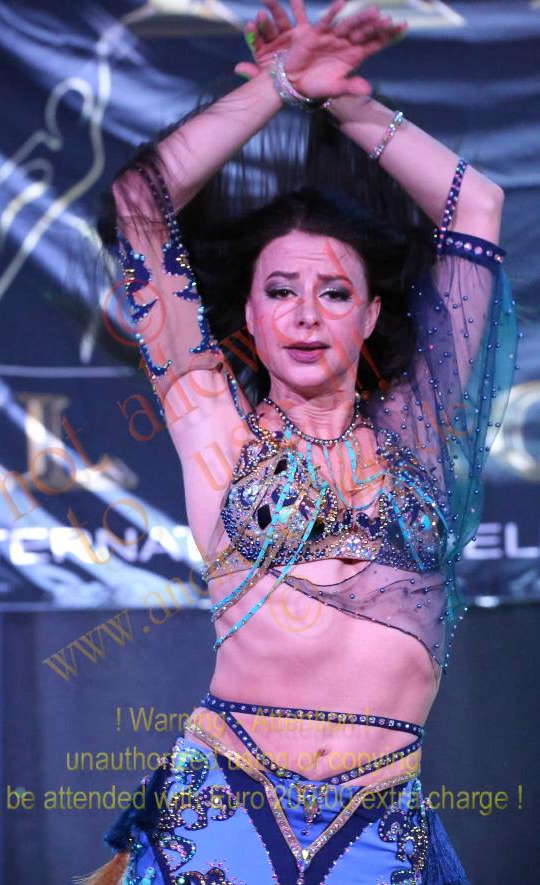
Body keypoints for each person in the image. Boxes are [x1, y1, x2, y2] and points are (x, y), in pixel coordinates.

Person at [81, 1, 518, 882]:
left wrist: (343, 101)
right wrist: (277, 87)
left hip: (378, 826)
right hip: (223, 809)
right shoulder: (212, 419)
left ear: (371, 314)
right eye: (280, 291)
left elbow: (477, 205)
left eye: (333, 292)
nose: (306, 315)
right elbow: (138, 207)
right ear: (249, 314)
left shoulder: (423, 431)